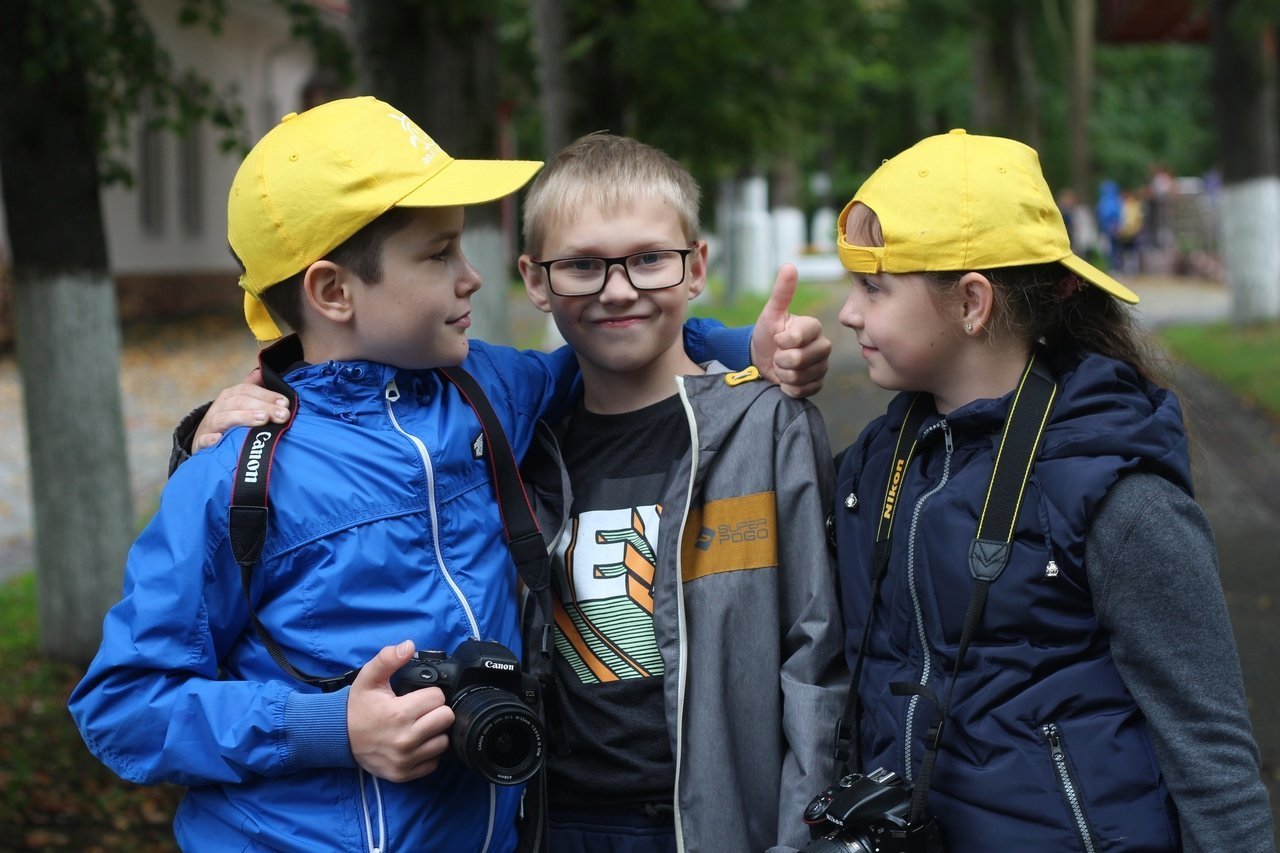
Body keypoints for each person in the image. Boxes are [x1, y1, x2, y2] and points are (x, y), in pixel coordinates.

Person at [67, 96, 825, 853]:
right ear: (333, 291)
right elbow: (122, 704)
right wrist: (333, 729)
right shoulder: (235, 475)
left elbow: (618, 333)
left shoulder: (485, 393)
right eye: (439, 255)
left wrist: (744, 343)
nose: (470, 279)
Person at [830, 129, 1274, 851]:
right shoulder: (873, 469)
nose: (848, 313)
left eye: (873, 288)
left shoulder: (1118, 493)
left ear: (972, 303)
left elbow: (1212, 758)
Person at [512, 133, 846, 852]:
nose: (618, 288)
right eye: (581, 265)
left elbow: (817, 659)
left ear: (695, 266)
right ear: (536, 280)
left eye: (647, 259)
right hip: (560, 823)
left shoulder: (767, 425)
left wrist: (803, 836)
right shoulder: (520, 447)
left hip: (725, 822)